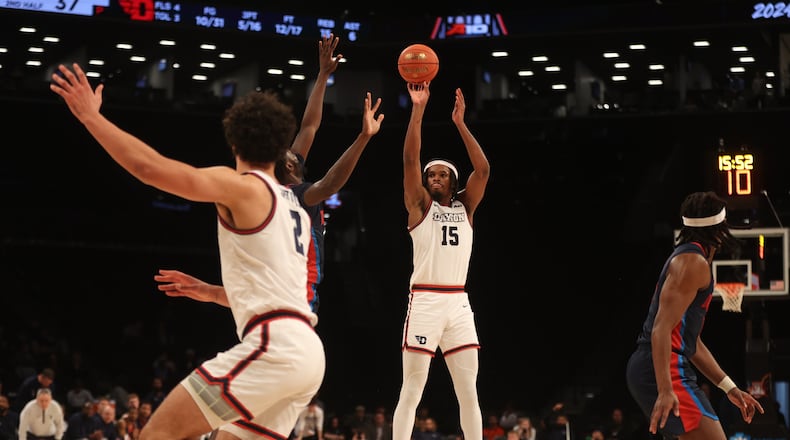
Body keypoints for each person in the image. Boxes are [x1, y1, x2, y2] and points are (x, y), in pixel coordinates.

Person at [51, 62, 325, 440]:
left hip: (274, 348)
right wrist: (211, 292)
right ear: (281, 147)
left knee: (155, 435)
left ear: (233, 143)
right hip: (308, 351)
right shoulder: (293, 206)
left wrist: (90, 118)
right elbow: (280, 293)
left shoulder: (242, 186)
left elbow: (149, 168)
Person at [153, 33, 384, 314]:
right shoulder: (296, 195)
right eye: (285, 152)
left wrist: (323, 75)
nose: (291, 150)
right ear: (286, 166)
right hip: (292, 303)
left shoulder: (288, 185)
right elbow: (329, 184)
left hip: (294, 304)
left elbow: (310, 126)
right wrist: (363, 138)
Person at [391, 81, 490, 440]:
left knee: (469, 392)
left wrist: (461, 124)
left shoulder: (466, 207)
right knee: (412, 389)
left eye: (441, 175)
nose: (433, 178)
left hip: (459, 302)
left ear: (452, 182)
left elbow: (483, 171)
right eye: (430, 174)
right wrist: (418, 109)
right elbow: (409, 160)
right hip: (426, 300)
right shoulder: (419, 206)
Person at [625, 191, 765, 439]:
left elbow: (692, 343)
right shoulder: (693, 263)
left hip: (660, 365)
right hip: (662, 367)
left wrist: (729, 388)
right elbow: (660, 331)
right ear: (718, 231)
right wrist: (666, 389)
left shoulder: (690, 258)